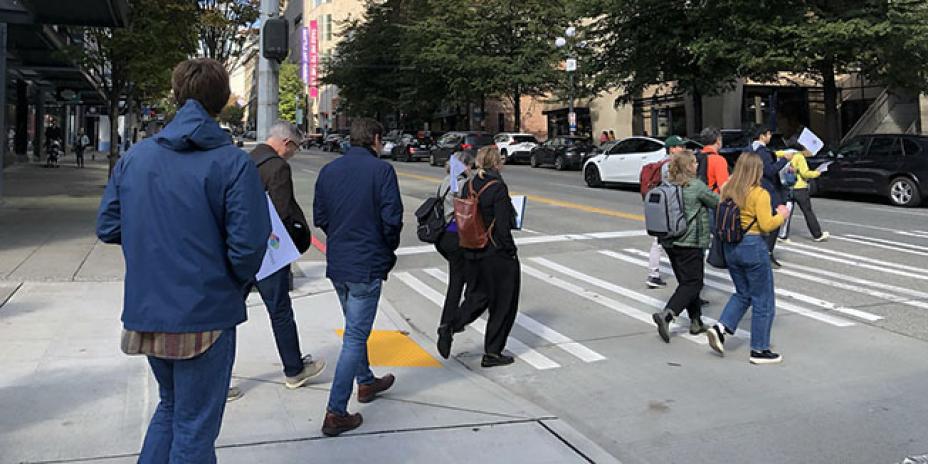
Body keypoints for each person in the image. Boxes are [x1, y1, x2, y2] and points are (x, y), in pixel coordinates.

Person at [96, 58, 270, 462]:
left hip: (148, 309)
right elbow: (248, 248)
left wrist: (154, 239)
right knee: (194, 427)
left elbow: (108, 226)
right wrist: (231, 284)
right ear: (223, 101)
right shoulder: (233, 162)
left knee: (171, 407)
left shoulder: (136, 158)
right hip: (206, 313)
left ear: (176, 95)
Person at [313, 118, 403, 437]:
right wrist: (384, 248)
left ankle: (365, 383)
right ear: (375, 139)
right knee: (354, 336)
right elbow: (392, 220)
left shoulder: (329, 171)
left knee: (354, 329)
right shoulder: (382, 171)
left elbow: (320, 217)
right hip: (366, 263)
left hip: (339, 261)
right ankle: (336, 411)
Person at [240, 121, 326, 397]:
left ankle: (215, 377)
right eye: (296, 148)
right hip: (267, 253)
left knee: (227, 312)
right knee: (280, 311)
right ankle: (293, 370)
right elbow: (283, 213)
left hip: (239, 250)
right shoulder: (277, 167)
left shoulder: (244, 161)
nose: (294, 154)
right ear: (286, 143)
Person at [706, 152, 789, 365]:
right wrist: (781, 215)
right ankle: (759, 349)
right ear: (757, 171)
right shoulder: (759, 194)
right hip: (752, 246)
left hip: (730, 247)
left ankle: (721, 327)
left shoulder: (727, 190)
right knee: (764, 299)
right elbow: (766, 225)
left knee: (743, 293)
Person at [457, 146, 520, 368]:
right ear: (496, 163)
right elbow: (502, 227)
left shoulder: (469, 184)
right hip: (495, 252)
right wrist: (511, 251)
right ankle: (492, 352)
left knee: (478, 296)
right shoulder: (497, 187)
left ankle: (452, 323)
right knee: (503, 303)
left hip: (472, 249)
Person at [652, 151, 720, 341]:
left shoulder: (668, 183)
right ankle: (667, 314)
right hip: (690, 241)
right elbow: (717, 202)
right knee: (694, 282)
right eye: (695, 163)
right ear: (688, 166)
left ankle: (696, 322)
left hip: (670, 241)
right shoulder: (695, 185)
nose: (697, 165)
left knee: (687, 282)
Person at [434, 151, 488, 359]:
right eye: (470, 166)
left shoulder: (444, 181)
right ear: (464, 166)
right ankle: (452, 325)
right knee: (479, 287)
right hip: (459, 238)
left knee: (457, 282)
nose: (472, 169)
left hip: (444, 238)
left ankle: (447, 325)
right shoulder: (462, 184)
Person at [646, 135, 687, 289]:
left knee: (659, 241)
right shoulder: (669, 164)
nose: (682, 149)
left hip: (663, 206)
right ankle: (654, 274)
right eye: (679, 146)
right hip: (669, 208)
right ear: (672, 149)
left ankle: (653, 274)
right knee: (661, 241)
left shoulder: (664, 162)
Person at [751, 125, 793, 268]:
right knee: (774, 221)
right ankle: (767, 253)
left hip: (753, 189)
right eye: (768, 134)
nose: (770, 137)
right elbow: (769, 171)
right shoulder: (762, 152)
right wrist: (784, 160)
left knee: (757, 221)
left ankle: (760, 252)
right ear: (762, 136)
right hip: (768, 191)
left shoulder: (750, 150)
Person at [777, 145, 829, 243]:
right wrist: (817, 173)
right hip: (799, 188)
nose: (811, 154)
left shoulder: (786, 153)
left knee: (786, 213)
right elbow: (805, 173)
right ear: (805, 149)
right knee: (808, 212)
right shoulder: (799, 157)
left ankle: (782, 235)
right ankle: (817, 234)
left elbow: (776, 154)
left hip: (787, 188)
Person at [698, 127, 730, 194]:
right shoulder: (719, 160)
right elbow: (724, 188)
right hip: (713, 200)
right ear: (718, 140)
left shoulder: (694, 158)